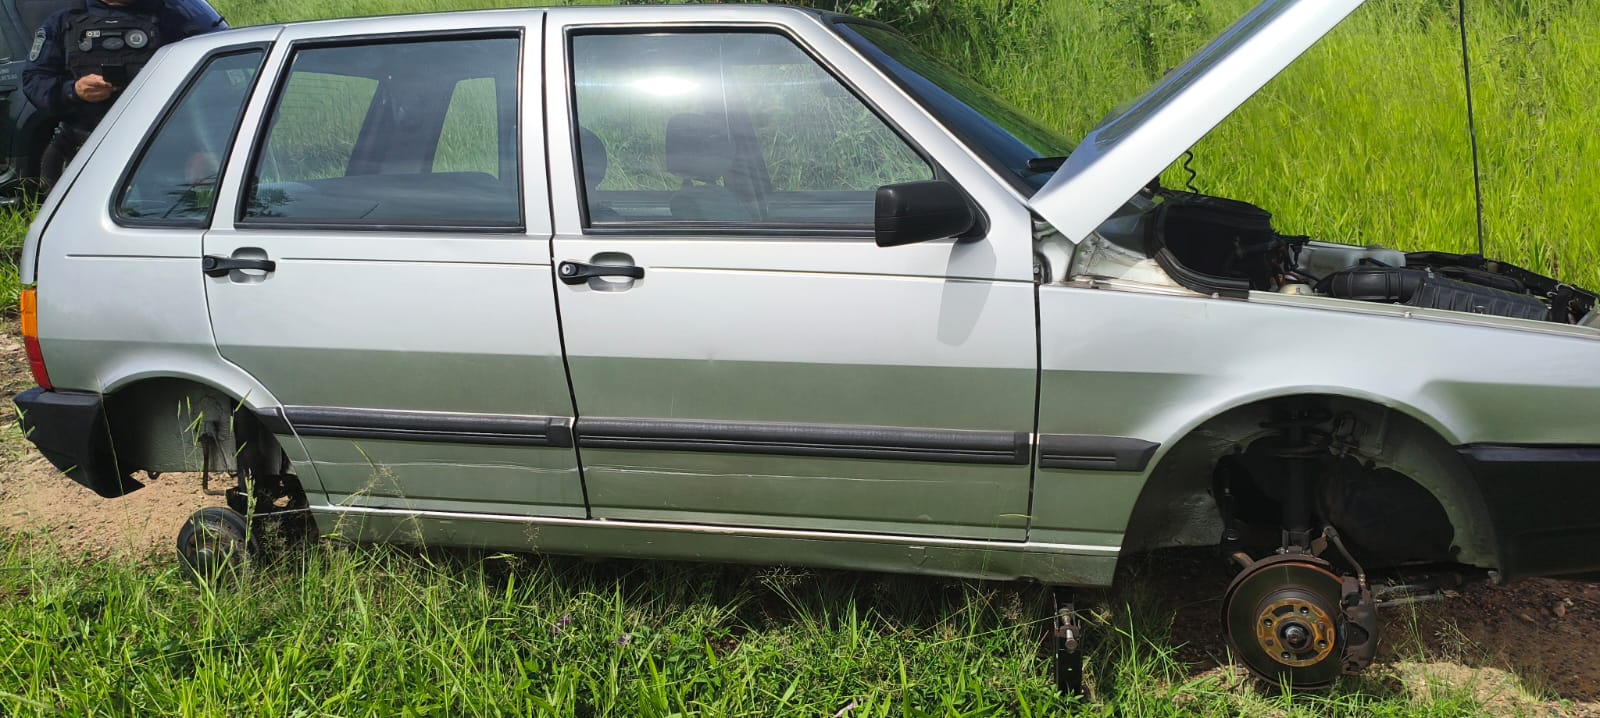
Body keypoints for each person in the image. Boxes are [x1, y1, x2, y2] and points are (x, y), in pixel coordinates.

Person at [23, 0, 226, 185]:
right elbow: (35, 81)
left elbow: (212, 87)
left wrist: (203, 150)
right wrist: (74, 90)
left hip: (160, 152)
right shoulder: (63, 22)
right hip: (85, 152)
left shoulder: (172, 18)